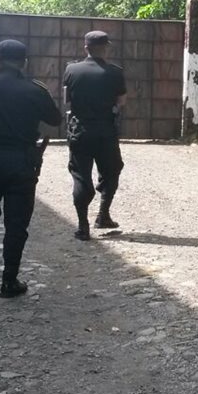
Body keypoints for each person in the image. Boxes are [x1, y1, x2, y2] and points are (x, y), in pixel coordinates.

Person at [0, 39, 61, 297]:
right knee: (16, 223)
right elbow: (55, 119)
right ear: (24, 62)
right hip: (21, 162)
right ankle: (10, 280)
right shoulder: (36, 91)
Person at [63, 30, 127, 240]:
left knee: (81, 177)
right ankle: (103, 214)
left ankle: (83, 226)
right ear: (106, 48)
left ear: (86, 48)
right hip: (106, 132)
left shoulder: (71, 70)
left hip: (80, 132)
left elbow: (66, 100)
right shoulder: (115, 73)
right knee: (112, 171)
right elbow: (121, 101)